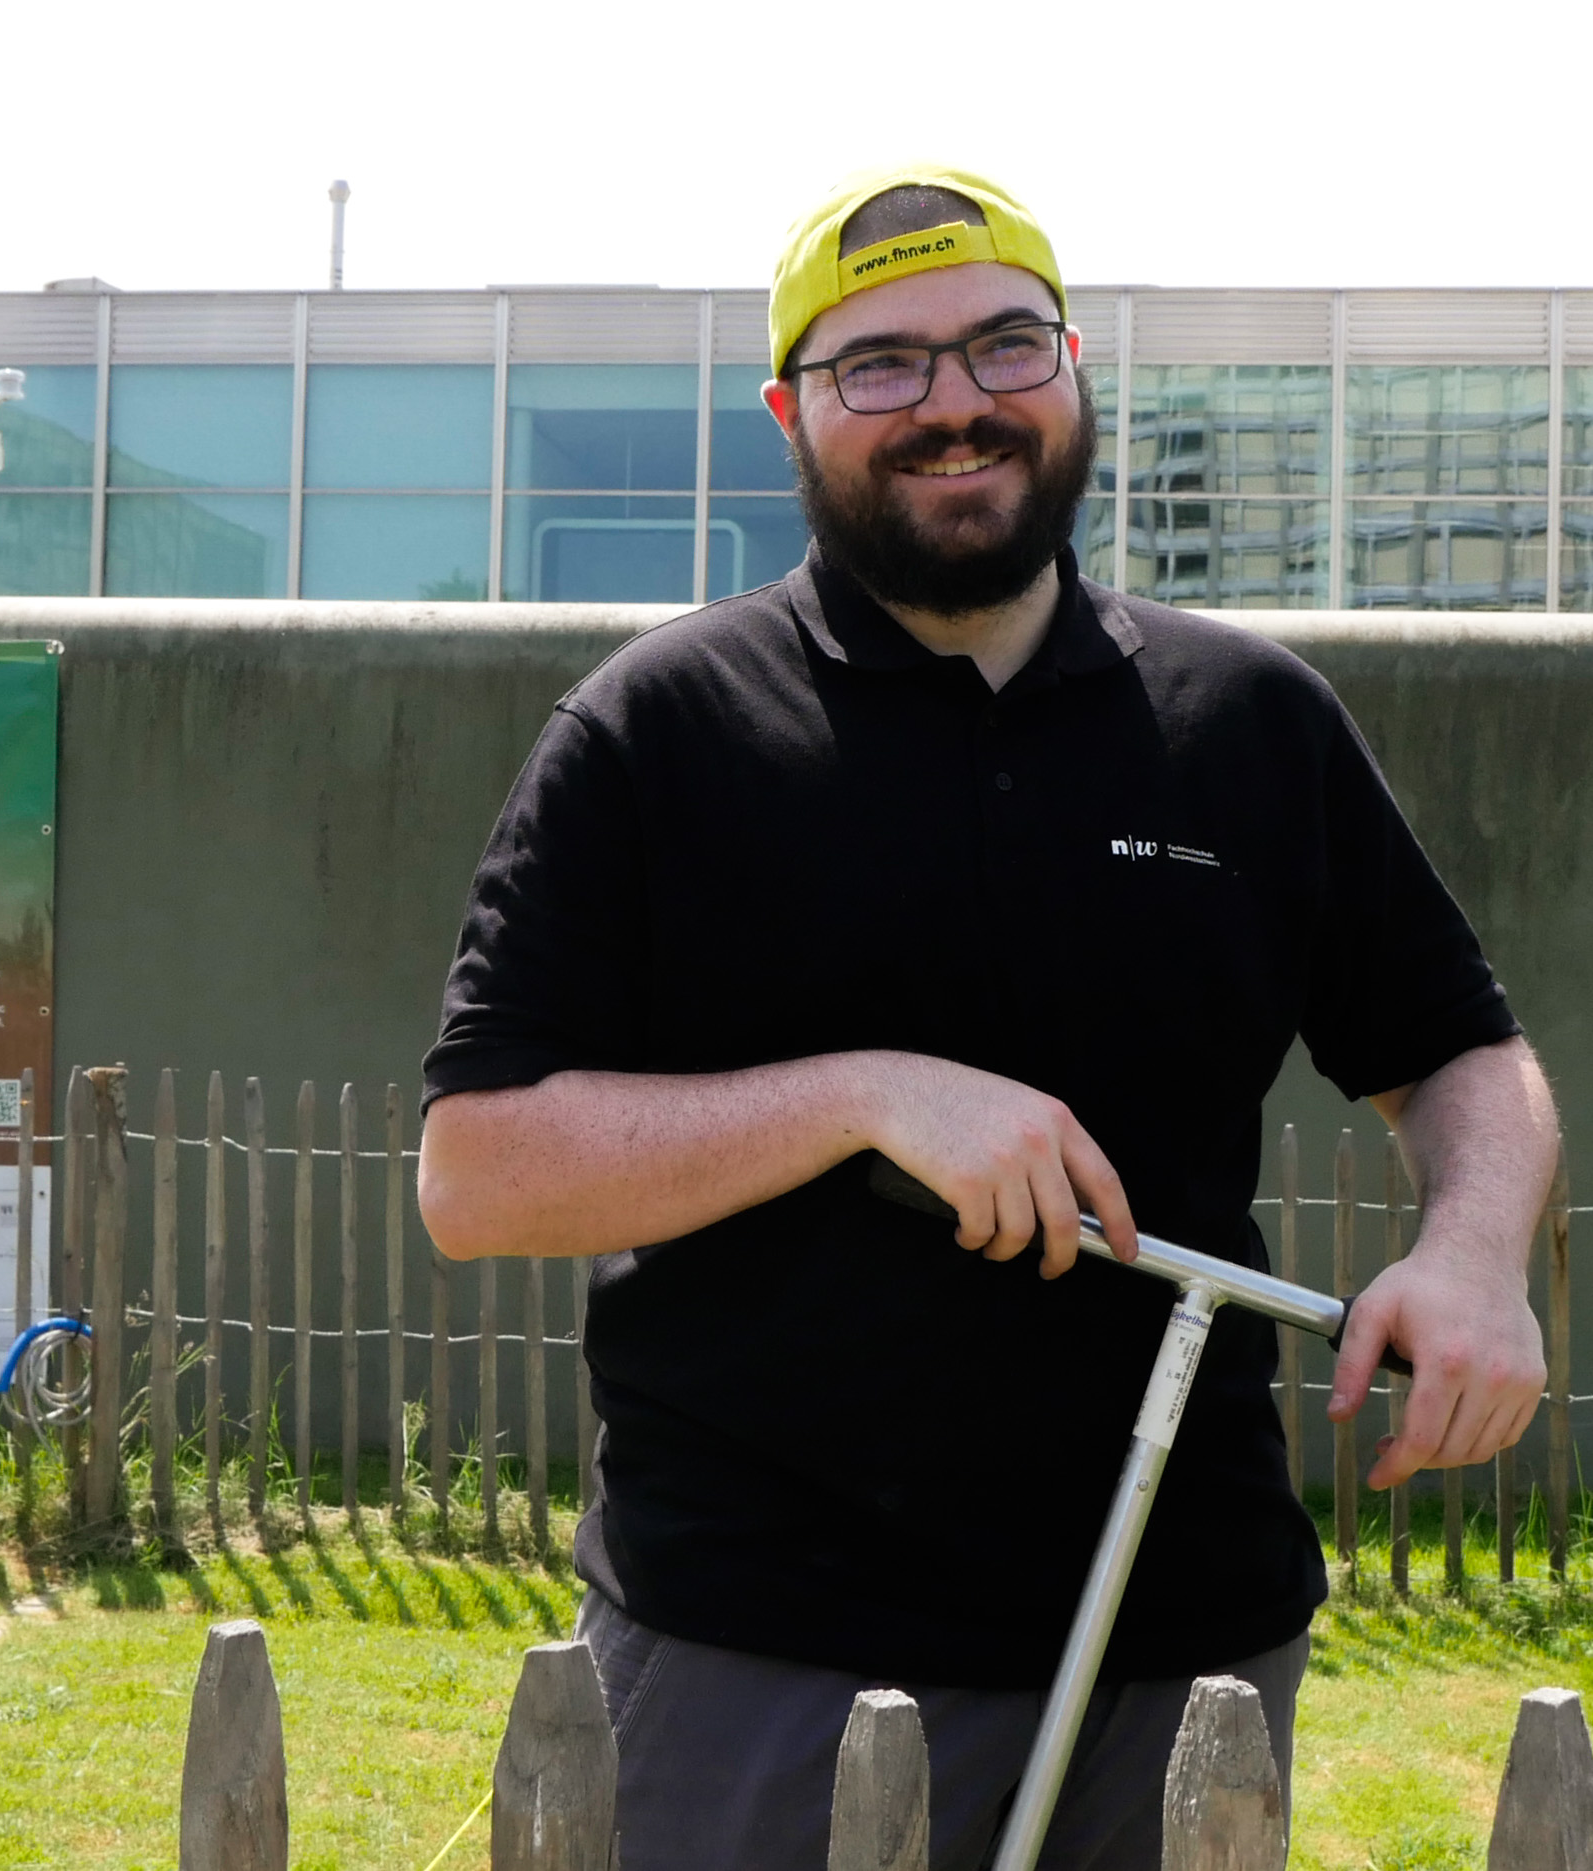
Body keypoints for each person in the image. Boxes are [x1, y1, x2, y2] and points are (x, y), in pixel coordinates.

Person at [416, 163, 1558, 1871]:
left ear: (1071, 369)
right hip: (759, 1649)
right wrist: (864, 1095)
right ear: (790, 414)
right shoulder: (656, 729)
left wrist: (1470, 1256)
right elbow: (477, 1175)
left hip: (1180, 1643)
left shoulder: (1249, 720)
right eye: (879, 364)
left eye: (1003, 345)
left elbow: (1460, 1049)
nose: (954, 403)